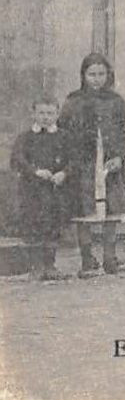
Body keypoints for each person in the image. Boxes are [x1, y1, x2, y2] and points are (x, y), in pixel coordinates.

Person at [60, 52, 125, 277]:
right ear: (83, 75)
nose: (96, 79)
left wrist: (119, 156)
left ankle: (110, 257)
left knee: (111, 210)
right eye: (91, 74)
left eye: (101, 74)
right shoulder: (72, 101)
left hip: (110, 162)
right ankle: (87, 258)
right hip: (84, 165)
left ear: (108, 75)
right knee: (84, 210)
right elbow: (64, 132)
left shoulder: (116, 101)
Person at [11, 100, 71, 281]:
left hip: (55, 190)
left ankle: (50, 265)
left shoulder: (63, 136)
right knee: (34, 224)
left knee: (53, 225)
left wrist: (64, 173)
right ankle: (36, 266)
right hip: (32, 190)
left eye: (50, 113)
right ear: (33, 114)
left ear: (57, 115)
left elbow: (74, 159)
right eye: (42, 113)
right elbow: (17, 160)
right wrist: (35, 171)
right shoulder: (25, 137)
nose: (46, 117)